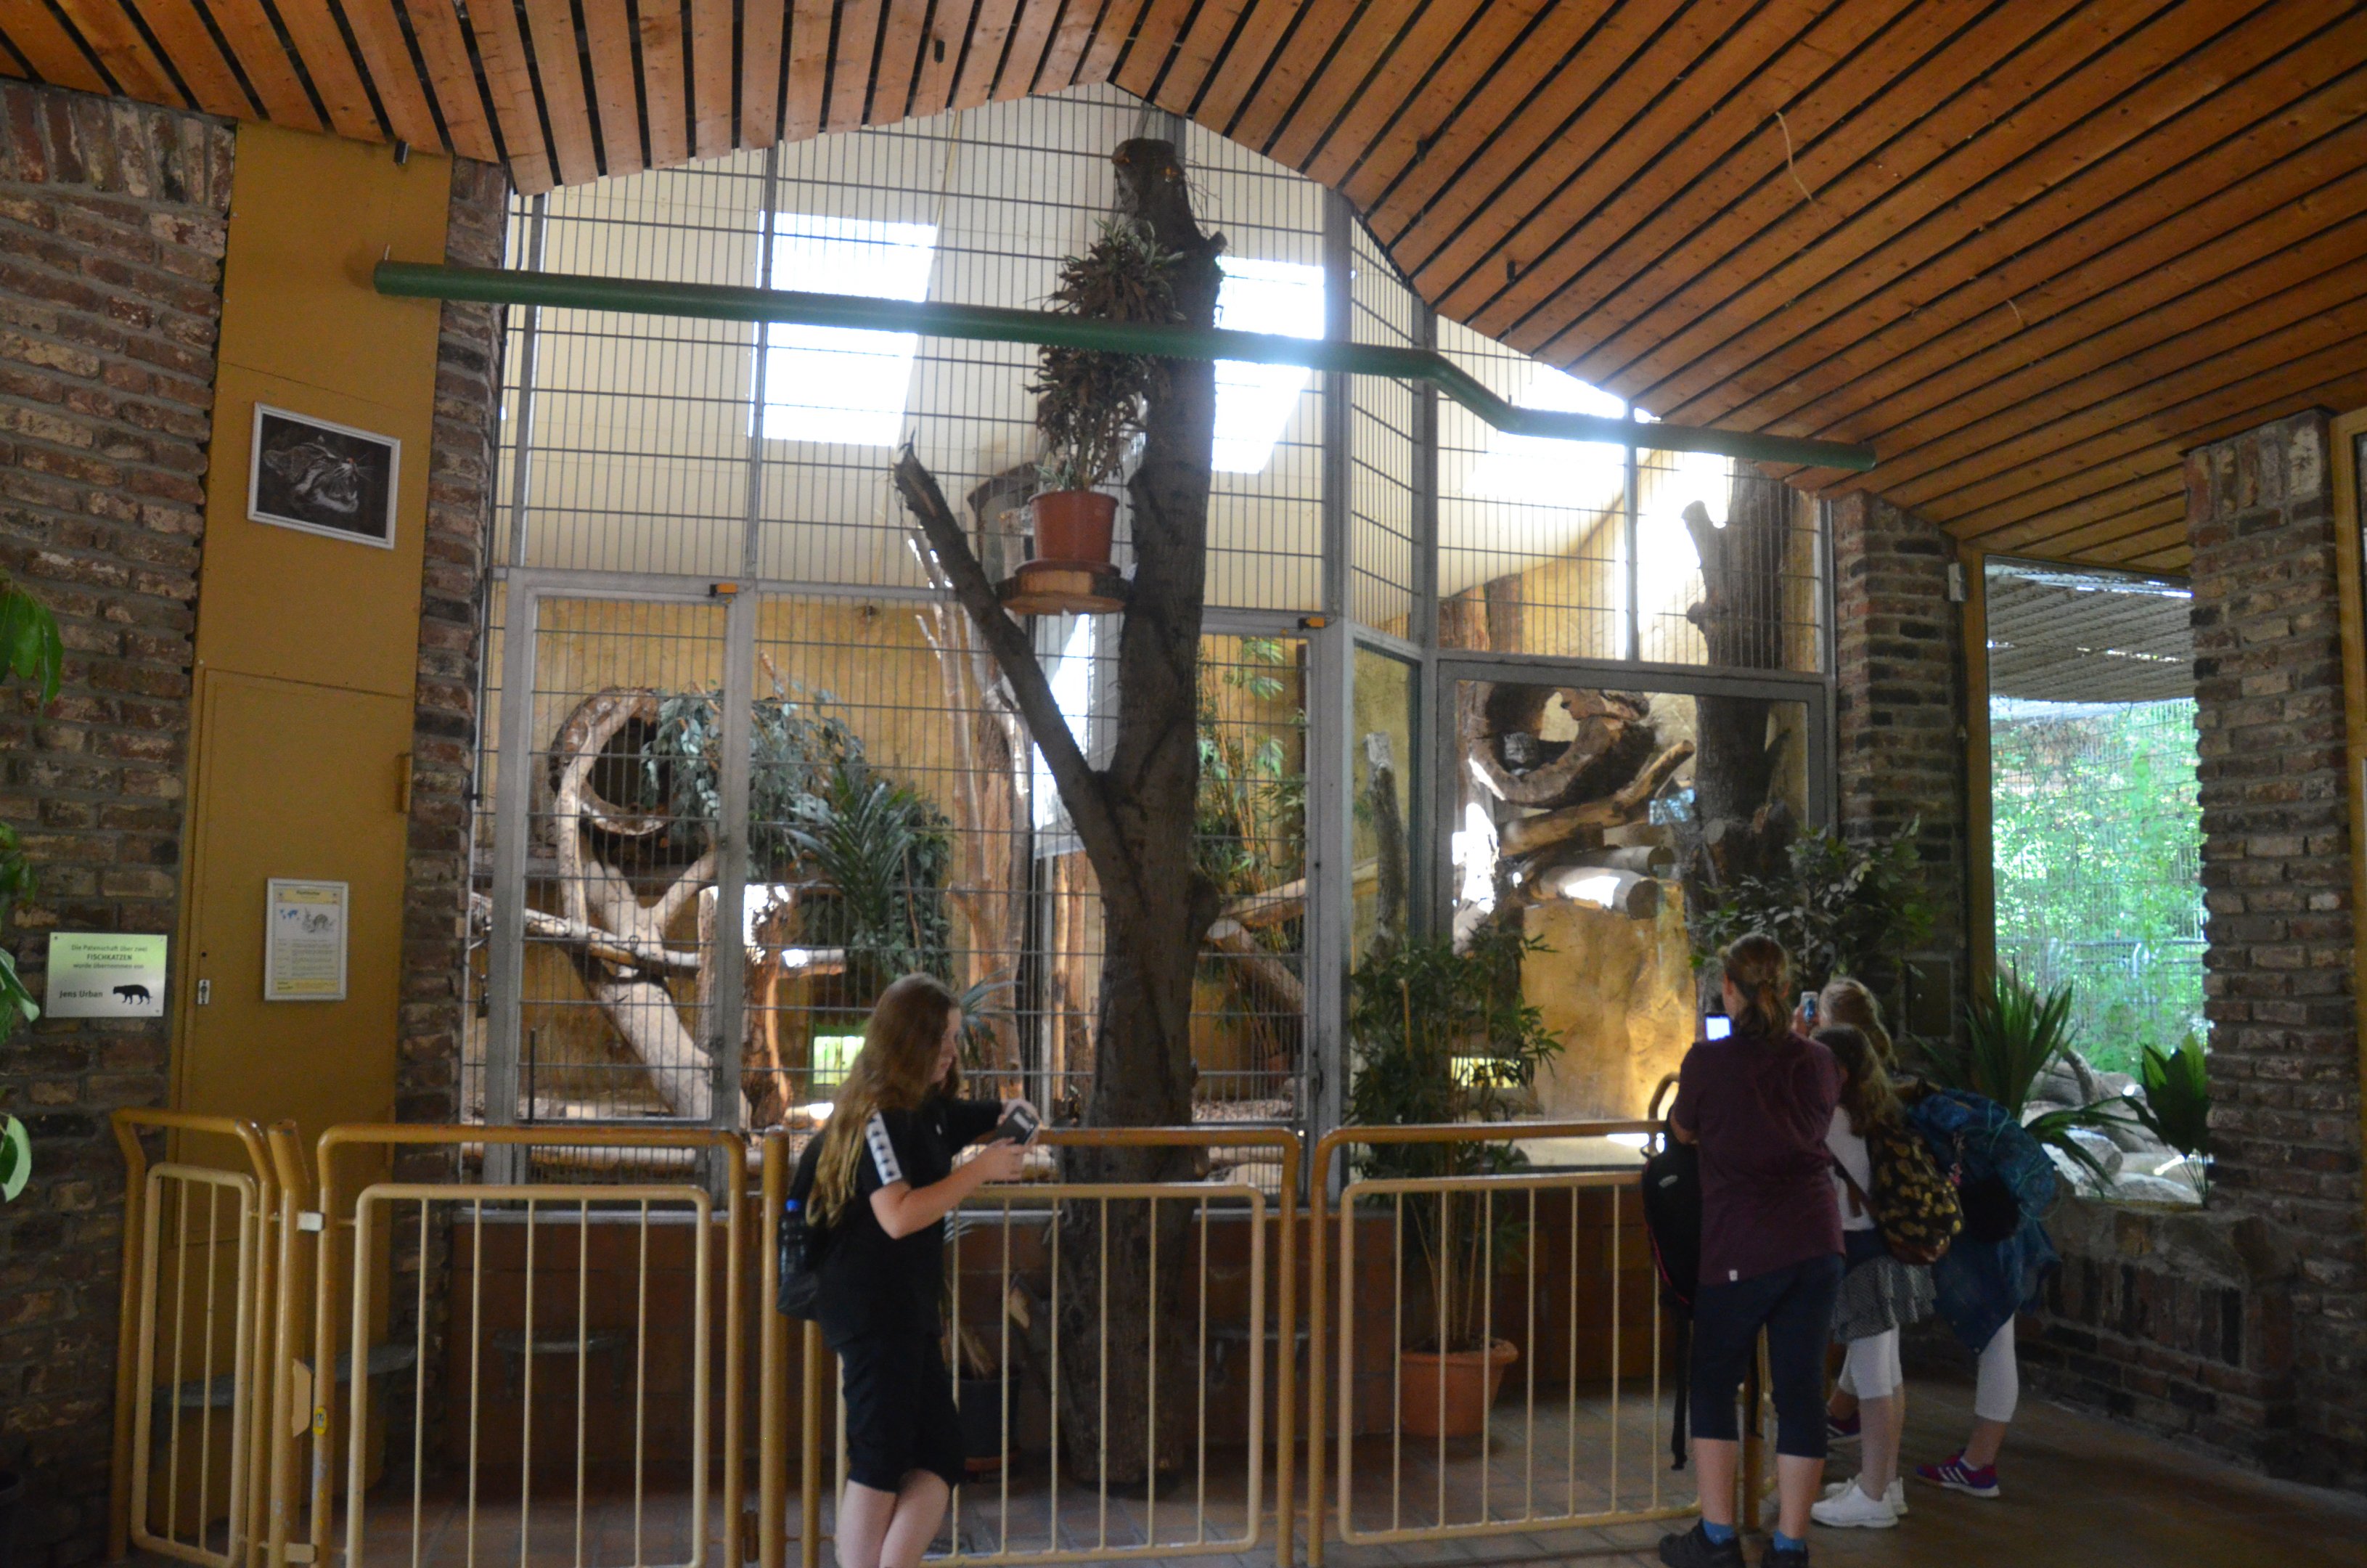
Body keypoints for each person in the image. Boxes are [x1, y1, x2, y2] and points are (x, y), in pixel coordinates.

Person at [806, 974, 1037, 1568]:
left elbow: (957, 1119)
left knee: (939, 1450)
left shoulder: (923, 1109)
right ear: (909, 1040)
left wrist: (1007, 1114)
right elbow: (899, 1214)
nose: (953, 1051)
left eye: (955, 1038)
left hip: (906, 1310)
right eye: (942, 1039)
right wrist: (983, 1169)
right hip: (872, 1312)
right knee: (880, 1458)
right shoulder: (876, 1116)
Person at [1659, 936, 1844, 1568]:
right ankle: (1789, 1546)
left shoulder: (1708, 1062)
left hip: (1743, 1243)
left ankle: (1715, 1538)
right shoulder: (1818, 1062)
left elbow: (1682, 1127)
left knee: (1713, 1380)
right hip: (1816, 1242)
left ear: (1728, 990)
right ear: (1787, 990)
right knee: (1799, 1393)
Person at [1807, 1024, 1933, 1531]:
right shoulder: (1877, 1111)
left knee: (1876, 1381)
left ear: (1836, 1072)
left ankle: (1874, 1495)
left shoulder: (1832, 1120)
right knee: (1885, 1373)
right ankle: (1882, 1481)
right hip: (1887, 1253)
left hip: (1861, 1259)